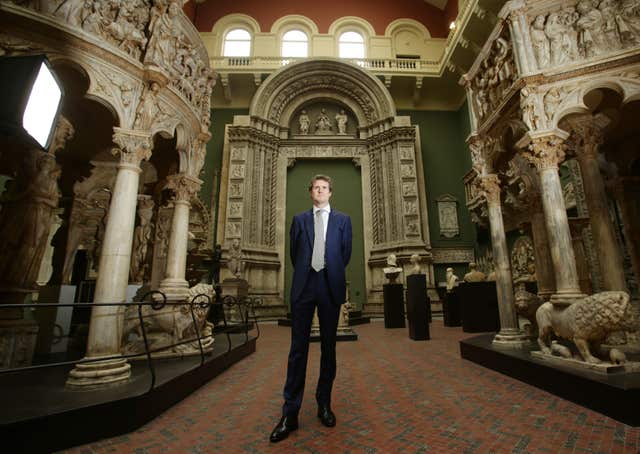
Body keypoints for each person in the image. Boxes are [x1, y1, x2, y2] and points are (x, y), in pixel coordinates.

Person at [270, 174, 352, 443]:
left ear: (330, 192)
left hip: (330, 286)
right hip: (305, 286)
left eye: (324, 188)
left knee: (329, 348)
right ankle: (289, 413)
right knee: (297, 350)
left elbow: (345, 252)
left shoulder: (343, 221)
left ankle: (324, 405)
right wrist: (308, 271)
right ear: (311, 193)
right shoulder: (299, 220)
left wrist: (331, 271)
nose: (320, 191)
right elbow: (295, 254)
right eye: (316, 188)